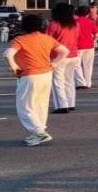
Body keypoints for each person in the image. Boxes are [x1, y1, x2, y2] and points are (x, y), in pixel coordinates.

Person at [4, 13, 68, 147]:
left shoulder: (20, 40)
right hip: (46, 74)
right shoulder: (47, 38)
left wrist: (14, 67)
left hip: (29, 75)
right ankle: (38, 131)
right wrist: (54, 64)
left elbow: (8, 54)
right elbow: (64, 51)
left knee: (25, 106)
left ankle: (39, 132)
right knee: (40, 104)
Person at [46, 3, 81, 114]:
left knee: (57, 81)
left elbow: (47, 41)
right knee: (69, 80)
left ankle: (61, 105)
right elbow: (77, 37)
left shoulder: (54, 24)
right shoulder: (75, 24)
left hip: (58, 56)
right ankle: (71, 103)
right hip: (74, 55)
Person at [74, 5, 98, 90]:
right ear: (87, 13)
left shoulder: (74, 22)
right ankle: (88, 83)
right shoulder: (90, 22)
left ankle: (80, 82)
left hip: (78, 46)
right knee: (88, 65)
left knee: (76, 64)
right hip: (89, 45)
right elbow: (95, 33)